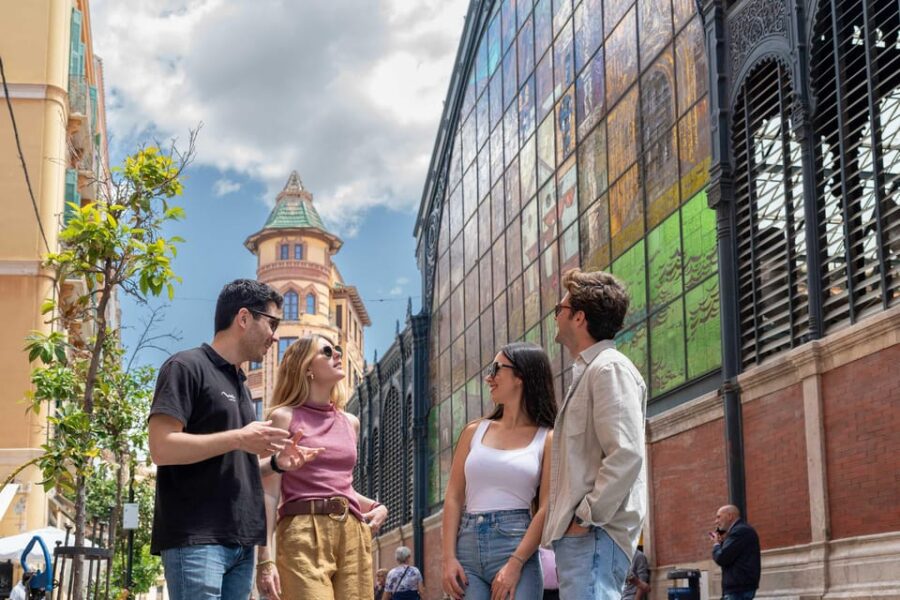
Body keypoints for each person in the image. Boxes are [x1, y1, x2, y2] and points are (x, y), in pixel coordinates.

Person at [148, 279, 311, 599]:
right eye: (272, 323)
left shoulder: (241, 384)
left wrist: (277, 463)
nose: (275, 335)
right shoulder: (185, 366)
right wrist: (238, 437)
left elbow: (233, 463)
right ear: (244, 318)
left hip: (240, 545)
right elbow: (161, 447)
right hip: (197, 540)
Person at [255, 335, 389, 600]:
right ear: (306, 367)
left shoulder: (350, 422)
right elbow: (269, 493)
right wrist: (265, 559)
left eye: (338, 350)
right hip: (303, 533)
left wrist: (376, 507)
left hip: (353, 533)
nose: (337, 355)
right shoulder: (283, 418)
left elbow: (340, 485)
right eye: (327, 352)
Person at [542, 268, 648, 599]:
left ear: (579, 317)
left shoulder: (608, 368)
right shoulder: (593, 370)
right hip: (587, 535)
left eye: (560, 309)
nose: (556, 316)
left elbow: (626, 453)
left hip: (595, 534)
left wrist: (587, 516)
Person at [442, 342, 557, 600]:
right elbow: (453, 497)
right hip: (467, 549)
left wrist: (516, 563)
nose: (488, 377)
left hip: (517, 545)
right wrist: (448, 557)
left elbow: (547, 506)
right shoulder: (474, 431)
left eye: (496, 369)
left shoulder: (547, 438)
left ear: (521, 377)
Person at [710, 505, 761, 600]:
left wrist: (716, 544)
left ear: (730, 516)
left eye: (719, 517)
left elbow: (722, 557)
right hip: (739, 588)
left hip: (738, 590)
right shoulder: (740, 530)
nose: (716, 521)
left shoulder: (739, 531)